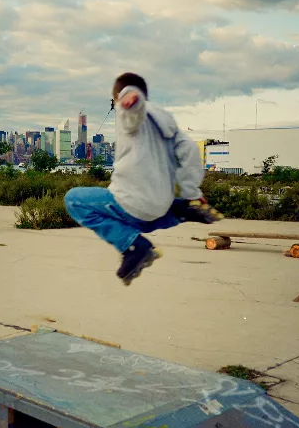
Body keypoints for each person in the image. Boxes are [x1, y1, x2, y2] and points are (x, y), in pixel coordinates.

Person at [64, 72, 224, 286]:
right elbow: (191, 151)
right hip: (159, 204)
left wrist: (129, 99)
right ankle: (181, 209)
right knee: (140, 223)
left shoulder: (129, 110)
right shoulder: (168, 123)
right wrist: (192, 192)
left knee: (74, 200)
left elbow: (132, 115)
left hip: (130, 200)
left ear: (117, 97)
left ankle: (134, 247)